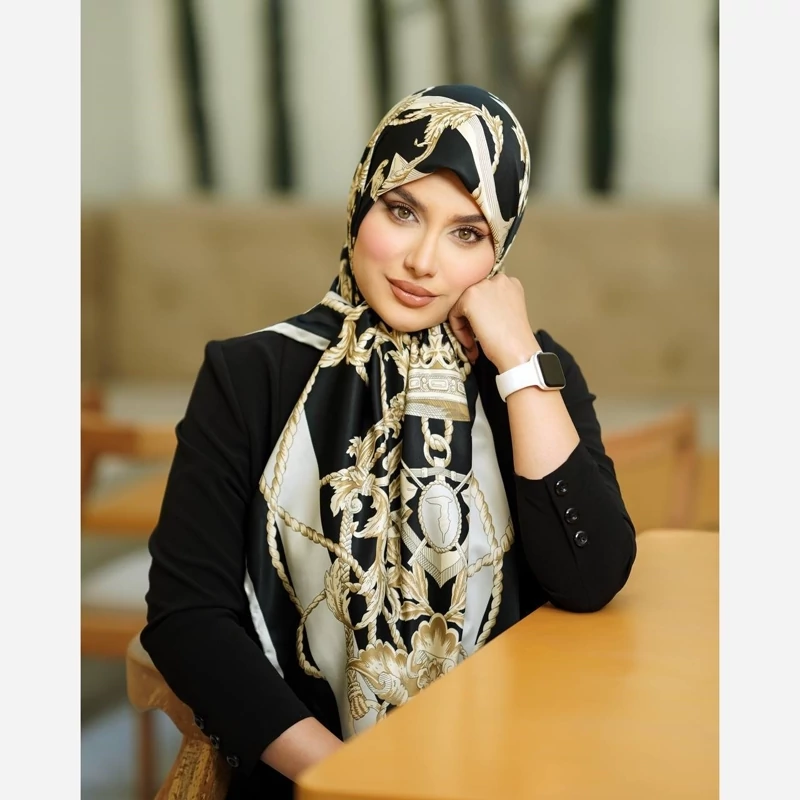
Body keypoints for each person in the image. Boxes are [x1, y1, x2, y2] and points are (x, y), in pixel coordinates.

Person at [142, 84, 636, 799]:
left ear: (499, 252)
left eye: (468, 233)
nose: (423, 261)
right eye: (403, 212)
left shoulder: (529, 374)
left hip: (511, 776)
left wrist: (520, 361)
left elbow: (592, 579)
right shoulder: (250, 374)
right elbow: (188, 619)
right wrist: (353, 780)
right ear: (361, 202)